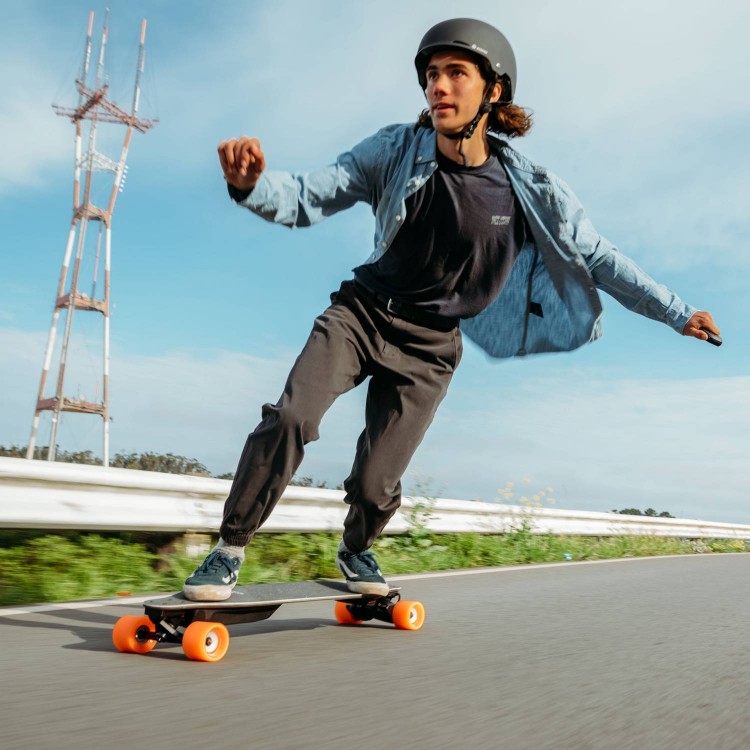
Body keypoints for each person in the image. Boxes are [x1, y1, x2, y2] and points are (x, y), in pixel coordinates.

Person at [183, 18, 719, 601]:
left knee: (375, 484)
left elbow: (599, 257)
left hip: (432, 347)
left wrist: (676, 312)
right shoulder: (394, 150)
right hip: (362, 314)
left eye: (456, 74)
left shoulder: (530, 192)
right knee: (290, 418)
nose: (439, 86)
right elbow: (312, 195)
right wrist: (252, 187)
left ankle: (356, 549)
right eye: (431, 75)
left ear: (493, 92)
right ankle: (229, 550)